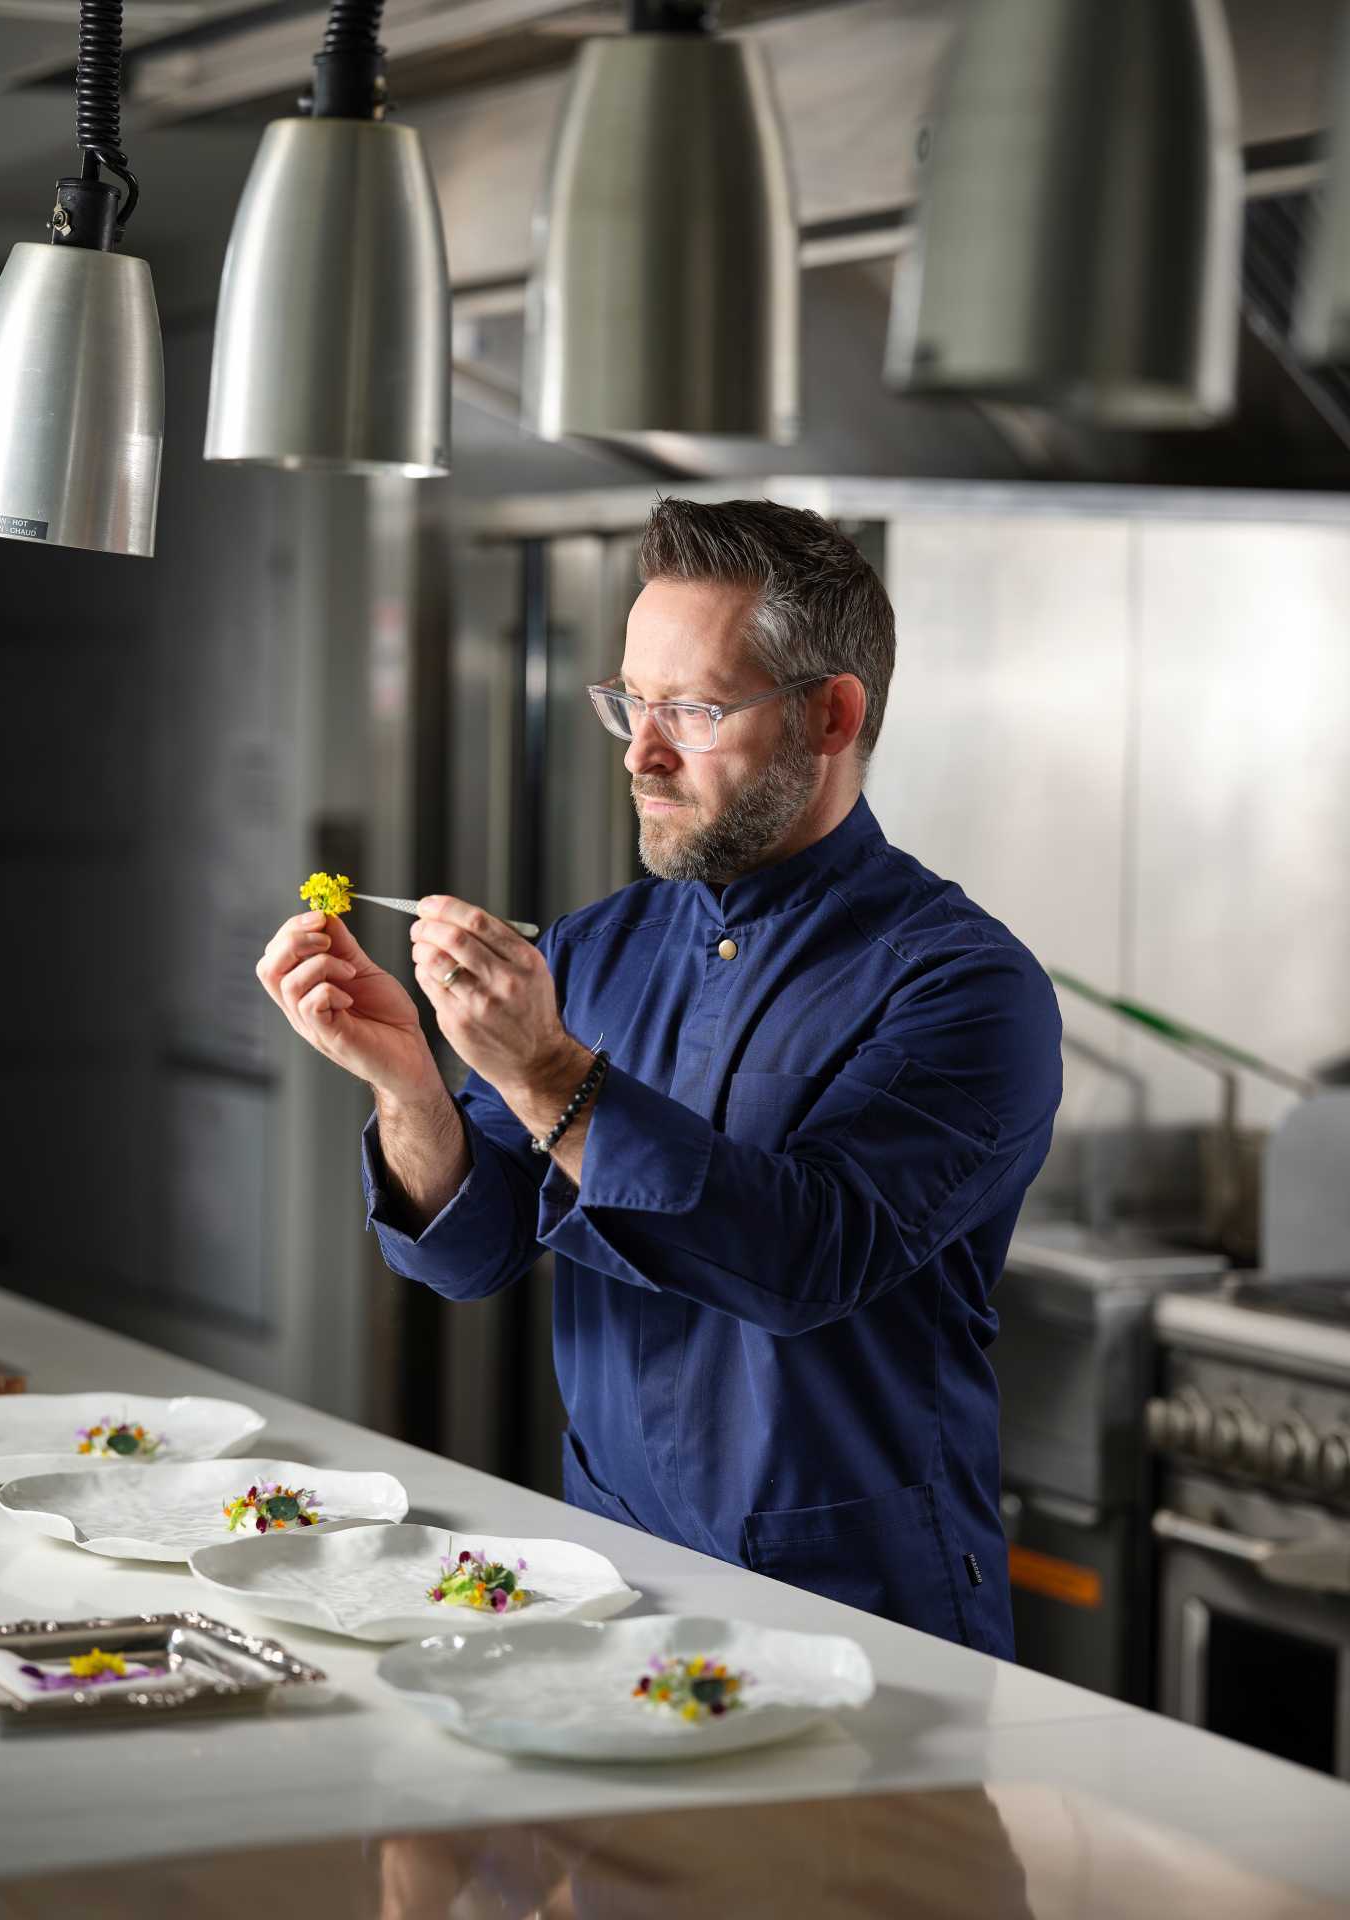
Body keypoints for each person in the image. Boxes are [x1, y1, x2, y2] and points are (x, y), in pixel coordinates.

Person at [257, 497, 1062, 1659]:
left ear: (831, 715)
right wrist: (409, 1089)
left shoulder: (966, 988)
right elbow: (474, 1249)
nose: (641, 751)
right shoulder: (593, 947)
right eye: (632, 701)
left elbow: (806, 1256)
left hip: (862, 1613)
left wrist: (544, 1071)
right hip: (609, 1581)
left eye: (692, 707)